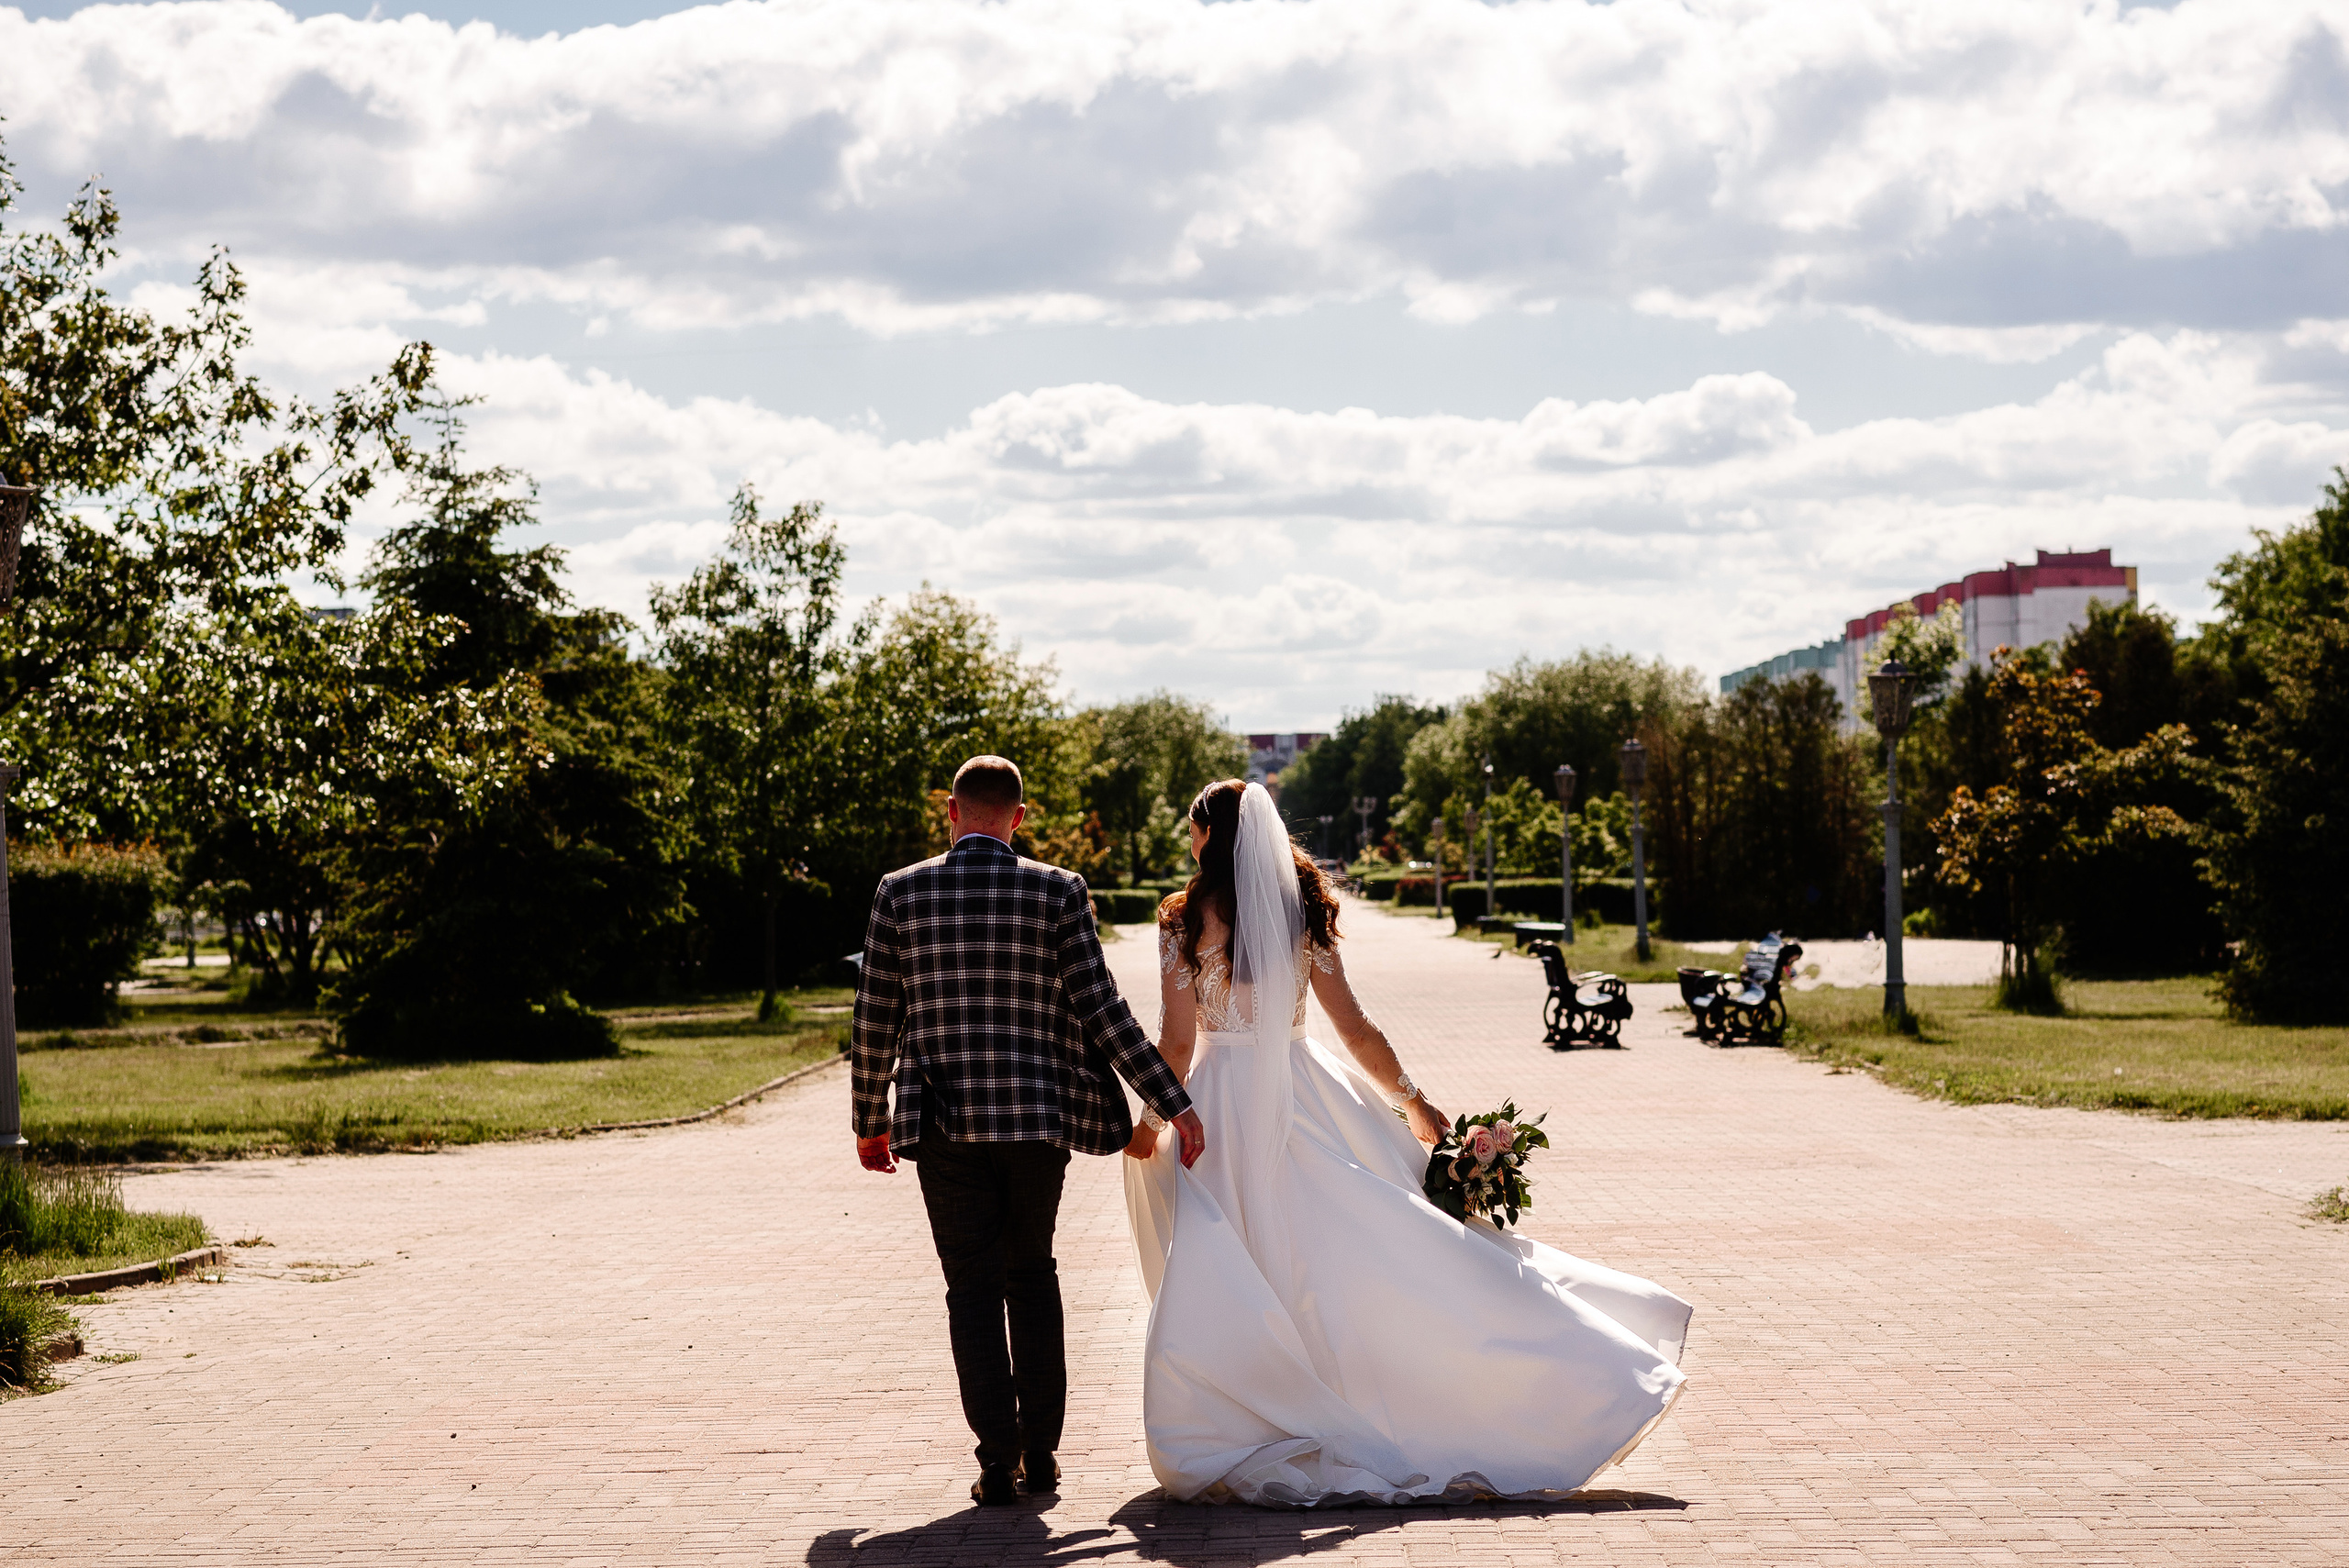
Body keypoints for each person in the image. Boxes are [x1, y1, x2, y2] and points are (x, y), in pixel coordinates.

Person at [1121, 779, 1691, 1506]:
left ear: (1212, 835)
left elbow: (1174, 1043)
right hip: (1306, 1095)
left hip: (1218, 1111)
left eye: (1194, 830)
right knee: (1355, 1256)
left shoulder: (1180, 919)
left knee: (1241, 1264)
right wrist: (1413, 1099)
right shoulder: (1302, 912)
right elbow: (1355, 1029)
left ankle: (1254, 1415)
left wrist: (1148, 1123)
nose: (1191, 843)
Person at [852, 754, 1207, 1508]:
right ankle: (1041, 1455)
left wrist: (868, 1122)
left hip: (944, 1127)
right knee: (1033, 1275)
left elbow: (875, 1018)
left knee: (971, 1292)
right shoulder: (1056, 890)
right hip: (1037, 1125)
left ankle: (996, 1461)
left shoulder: (900, 892)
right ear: (1020, 816)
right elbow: (1103, 1010)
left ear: (952, 810)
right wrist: (1172, 1101)